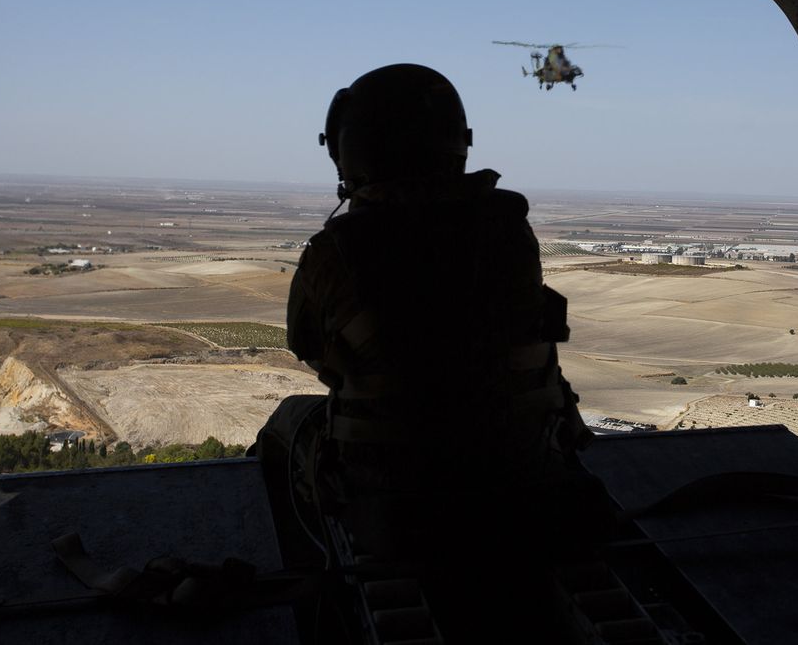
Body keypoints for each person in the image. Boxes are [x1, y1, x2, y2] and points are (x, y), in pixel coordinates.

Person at [250, 64, 595, 563]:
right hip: (526, 477)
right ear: (459, 141)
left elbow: (305, 344)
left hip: (398, 504)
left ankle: (310, 589)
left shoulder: (338, 249)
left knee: (287, 422)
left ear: (349, 151)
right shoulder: (510, 231)